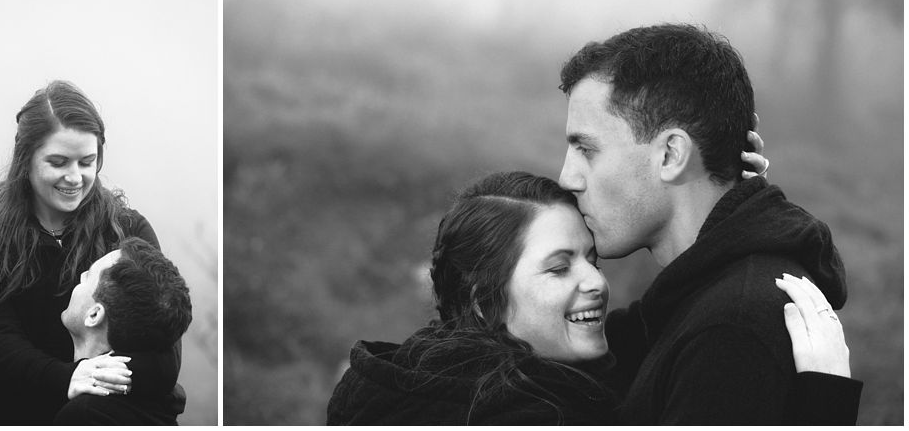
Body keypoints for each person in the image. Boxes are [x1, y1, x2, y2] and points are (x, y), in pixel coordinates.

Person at [326, 172, 860, 425]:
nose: (596, 282)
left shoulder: (426, 374)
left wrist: (726, 192)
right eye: (560, 267)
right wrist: (822, 408)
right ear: (483, 299)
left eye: (592, 259)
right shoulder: (517, 415)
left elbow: (651, 322)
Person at [558, 22, 859, 423]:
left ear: (670, 156)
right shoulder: (689, 299)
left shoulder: (731, 330)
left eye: (586, 149)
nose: (567, 178)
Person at [0, 81, 162, 425]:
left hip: (106, 414)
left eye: (87, 161)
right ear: (26, 159)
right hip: (9, 412)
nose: (74, 177)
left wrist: (101, 379)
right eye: (58, 161)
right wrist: (66, 378)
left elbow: (162, 342)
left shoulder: (127, 232)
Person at [53, 236, 192, 424]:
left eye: (88, 276)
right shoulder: (156, 406)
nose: (80, 275)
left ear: (94, 315)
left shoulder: (85, 417)